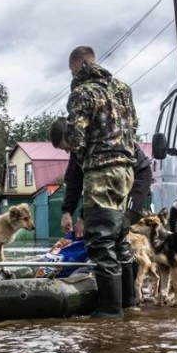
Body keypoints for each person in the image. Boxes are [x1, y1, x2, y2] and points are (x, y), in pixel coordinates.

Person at [59, 45, 137, 317]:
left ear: (75, 67)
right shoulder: (123, 89)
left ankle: (110, 312)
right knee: (119, 238)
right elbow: (134, 126)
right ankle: (129, 303)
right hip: (127, 169)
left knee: (101, 241)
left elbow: (76, 138)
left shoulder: (82, 93)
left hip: (101, 171)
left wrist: (67, 138)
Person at [50, 117, 153, 309]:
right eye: (64, 150)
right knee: (113, 234)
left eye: (67, 147)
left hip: (136, 175)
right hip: (112, 183)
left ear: (74, 135)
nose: (67, 152)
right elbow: (74, 180)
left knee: (120, 228)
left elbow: (97, 186)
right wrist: (67, 212)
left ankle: (122, 303)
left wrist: (83, 217)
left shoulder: (95, 143)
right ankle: (126, 301)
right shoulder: (76, 151)